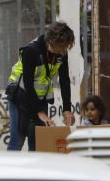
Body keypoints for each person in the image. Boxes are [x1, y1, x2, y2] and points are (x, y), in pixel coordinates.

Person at [5, 21, 75, 151]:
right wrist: (40, 113)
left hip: (39, 99)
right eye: (62, 46)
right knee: (17, 140)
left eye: (66, 46)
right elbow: (28, 84)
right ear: (52, 41)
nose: (63, 50)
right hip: (20, 96)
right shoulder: (32, 51)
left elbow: (64, 80)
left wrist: (67, 109)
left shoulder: (61, 54)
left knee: (38, 142)